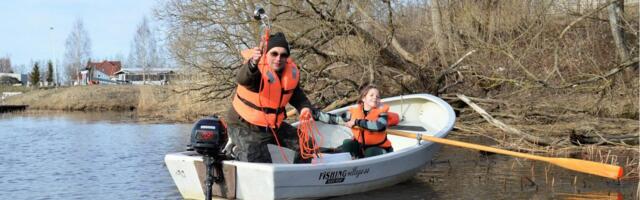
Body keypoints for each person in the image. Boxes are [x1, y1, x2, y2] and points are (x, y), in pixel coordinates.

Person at [225, 32, 313, 163]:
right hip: (243, 124)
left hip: (271, 125)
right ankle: (234, 150)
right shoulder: (256, 70)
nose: (278, 58)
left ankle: (296, 176)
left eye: (283, 55)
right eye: (274, 54)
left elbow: (298, 97)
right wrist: (253, 63)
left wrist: (305, 108)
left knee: (307, 145)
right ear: (266, 54)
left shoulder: (290, 74)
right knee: (260, 160)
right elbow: (243, 79)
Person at [313, 85, 392, 159]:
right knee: (347, 143)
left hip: (379, 149)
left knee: (370, 152)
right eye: (371, 95)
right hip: (361, 148)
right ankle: (350, 165)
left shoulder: (382, 113)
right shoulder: (354, 112)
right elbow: (337, 119)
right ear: (363, 98)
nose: (375, 97)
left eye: (377, 97)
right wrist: (316, 115)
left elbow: (380, 126)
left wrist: (357, 122)